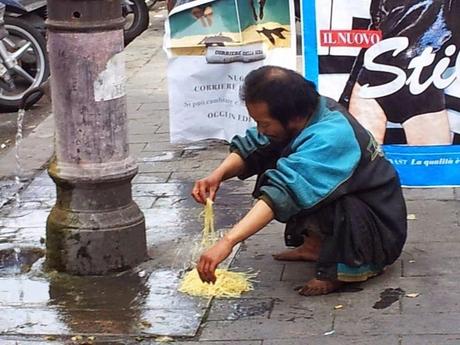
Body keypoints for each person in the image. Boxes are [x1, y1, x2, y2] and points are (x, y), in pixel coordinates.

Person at [191, 66, 407, 296]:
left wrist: (228, 241)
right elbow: (255, 145)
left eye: (264, 123)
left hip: (377, 228)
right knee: (274, 156)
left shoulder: (331, 136)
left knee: (299, 189)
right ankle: (316, 246)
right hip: (348, 199)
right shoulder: (306, 111)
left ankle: (345, 268)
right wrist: (218, 175)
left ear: (292, 117)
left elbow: (283, 193)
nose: (260, 129)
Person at [340, 0, 458, 145]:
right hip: (375, 83)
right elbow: (375, 37)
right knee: (363, 160)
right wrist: (347, 94)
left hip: (418, 87)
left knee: (430, 163)